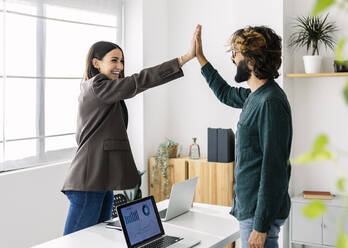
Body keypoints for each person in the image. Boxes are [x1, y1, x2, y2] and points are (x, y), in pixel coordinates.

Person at [62, 33, 197, 235]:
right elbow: (139, 81)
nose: (120, 66)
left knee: (97, 239)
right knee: (73, 242)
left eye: (122, 61)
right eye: (114, 60)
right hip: (88, 180)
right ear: (96, 63)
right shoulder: (97, 86)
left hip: (100, 179)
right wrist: (183, 59)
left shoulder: (104, 91)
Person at [195, 25, 292, 248]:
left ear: (251, 60)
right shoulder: (255, 97)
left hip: (259, 215)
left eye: (235, 53)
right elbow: (225, 93)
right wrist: (200, 58)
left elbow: (274, 170)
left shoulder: (270, 102)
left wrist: (260, 226)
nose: (232, 59)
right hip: (251, 208)